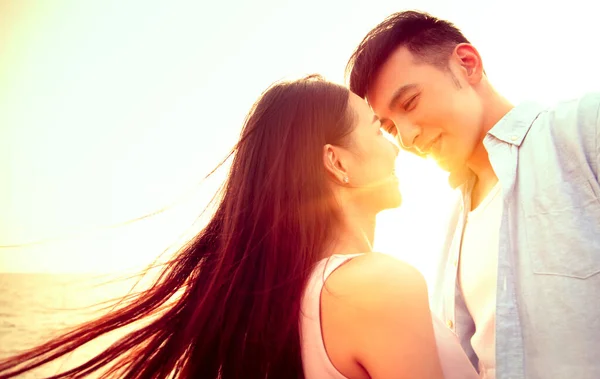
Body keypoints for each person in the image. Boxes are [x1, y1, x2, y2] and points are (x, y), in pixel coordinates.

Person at [0, 76, 479, 378]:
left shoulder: (280, 299)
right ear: (336, 163)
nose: (396, 146)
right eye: (377, 129)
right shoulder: (379, 284)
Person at [346, 10, 600, 379]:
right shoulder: (452, 226)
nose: (406, 137)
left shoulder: (581, 130)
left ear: (467, 65)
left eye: (410, 103)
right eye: (388, 127)